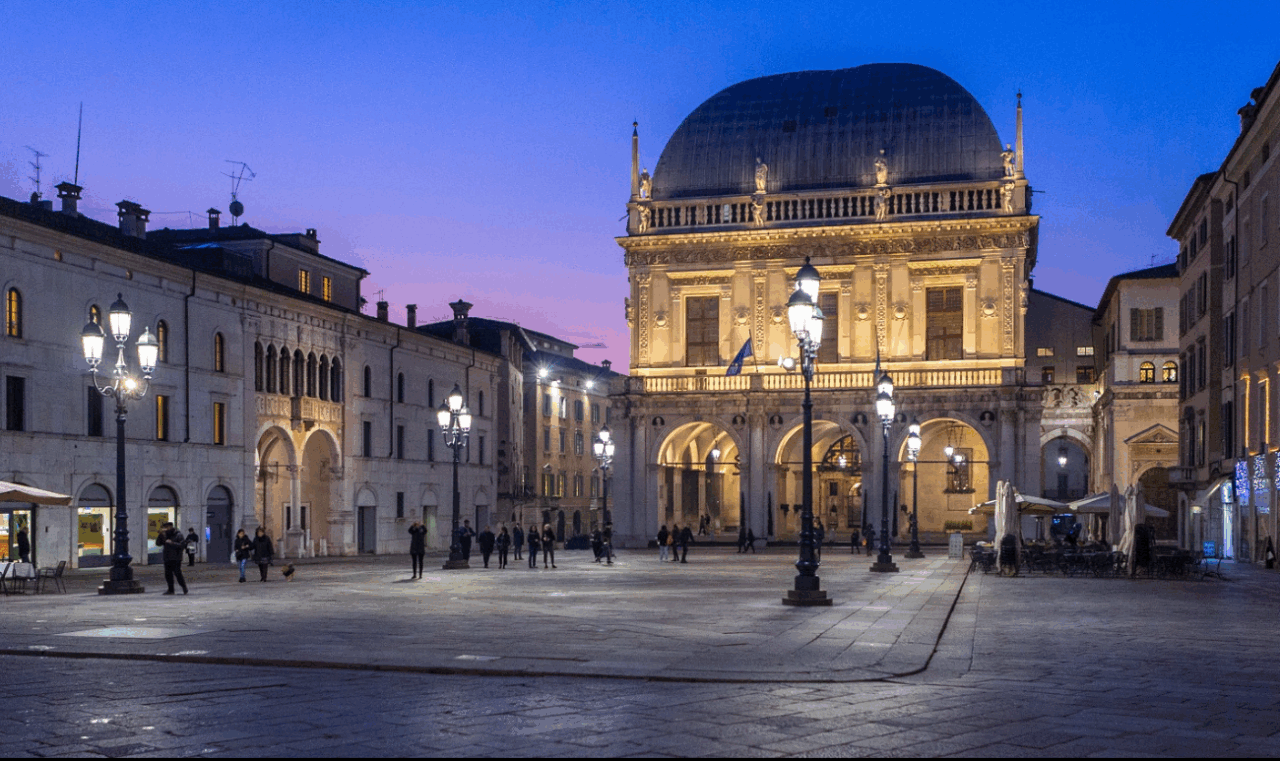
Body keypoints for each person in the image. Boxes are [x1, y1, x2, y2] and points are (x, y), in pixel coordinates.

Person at [156, 522, 188, 595]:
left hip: (176, 557)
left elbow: (182, 545)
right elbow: (158, 543)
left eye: (167, 527)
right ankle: (171, 590)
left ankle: (184, 587)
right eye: (164, 528)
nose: (165, 529)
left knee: (177, 573)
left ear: (171, 527)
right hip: (167, 557)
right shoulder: (165, 535)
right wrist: (160, 535)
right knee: (168, 574)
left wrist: (172, 543)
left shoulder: (178, 534)